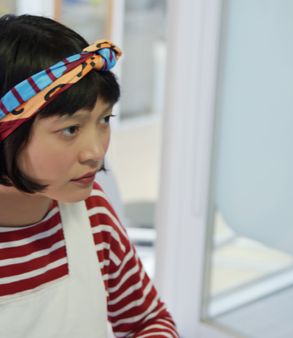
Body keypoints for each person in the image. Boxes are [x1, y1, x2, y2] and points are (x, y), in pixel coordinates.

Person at [0, 14, 178, 338]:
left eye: (105, 119)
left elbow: (149, 320)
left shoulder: (93, 215)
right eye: (70, 129)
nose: (96, 152)